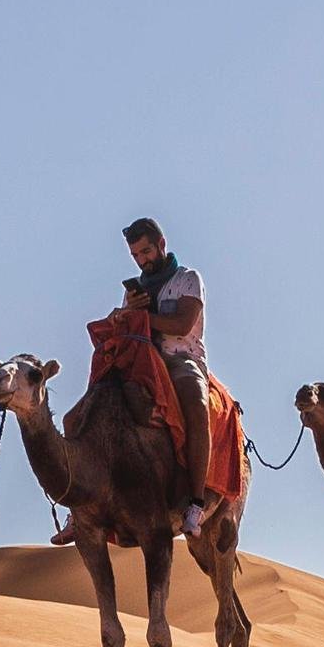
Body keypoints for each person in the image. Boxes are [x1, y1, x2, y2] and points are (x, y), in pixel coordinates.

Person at [117, 216, 219, 533]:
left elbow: (181, 326)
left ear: (161, 244)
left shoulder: (188, 279)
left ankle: (196, 502)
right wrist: (125, 314)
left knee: (196, 404)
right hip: (142, 361)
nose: (142, 260)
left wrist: (142, 316)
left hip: (181, 359)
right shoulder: (135, 292)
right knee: (98, 400)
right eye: (135, 255)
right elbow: (126, 328)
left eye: (146, 251)